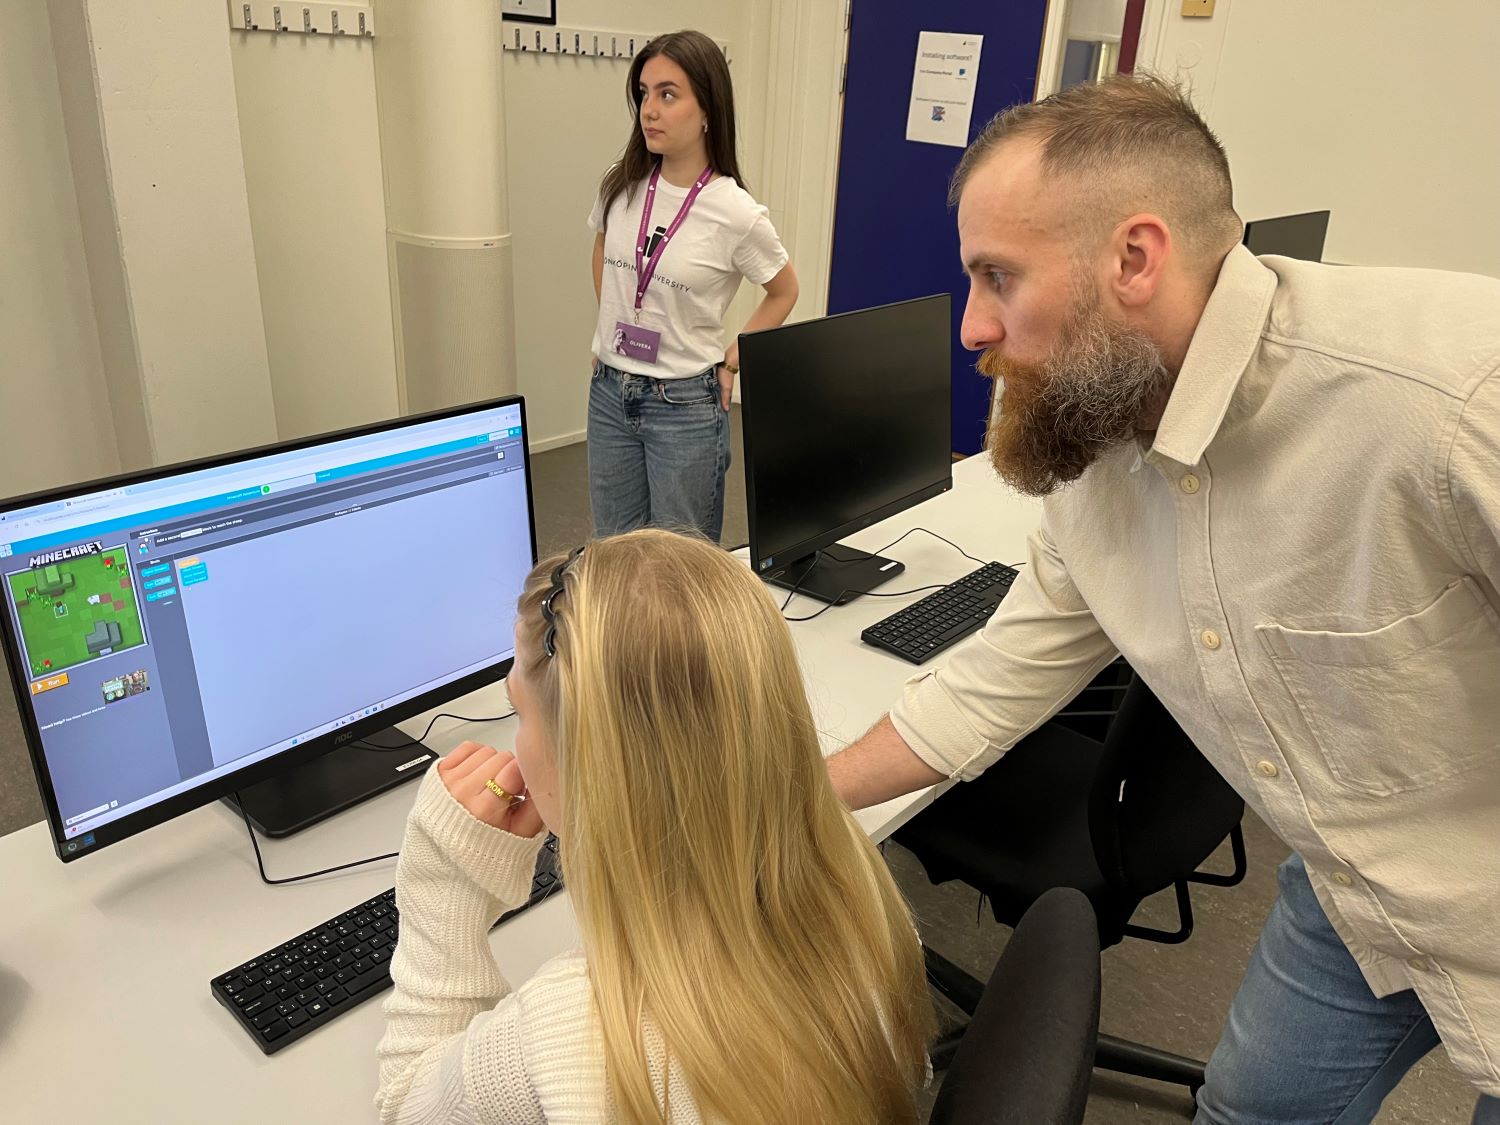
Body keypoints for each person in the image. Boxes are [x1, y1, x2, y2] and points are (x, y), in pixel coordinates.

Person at [826, 74, 1500, 1124]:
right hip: (1351, 882)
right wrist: (778, 797)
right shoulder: (1098, 459)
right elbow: (983, 691)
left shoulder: (1448, 398)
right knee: (1244, 1112)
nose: (972, 328)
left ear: (1134, 259)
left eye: (999, 277)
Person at [376, 530, 933, 1124]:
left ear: (588, 760)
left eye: (520, 710)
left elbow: (405, 1108)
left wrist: (443, 884)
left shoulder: (564, 1035)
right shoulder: (860, 890)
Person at [587, 30, 799, 543]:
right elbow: (602, 249)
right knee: (615, 556)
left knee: (681, 566)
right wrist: (613, 324)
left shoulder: (735, 212)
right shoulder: (621, 182)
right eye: (644, 93)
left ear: (707, 110)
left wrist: (733, 360)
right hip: (609, 392)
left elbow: (784, 290)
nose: (649, 110)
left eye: (668, 94)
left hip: (683, 403)